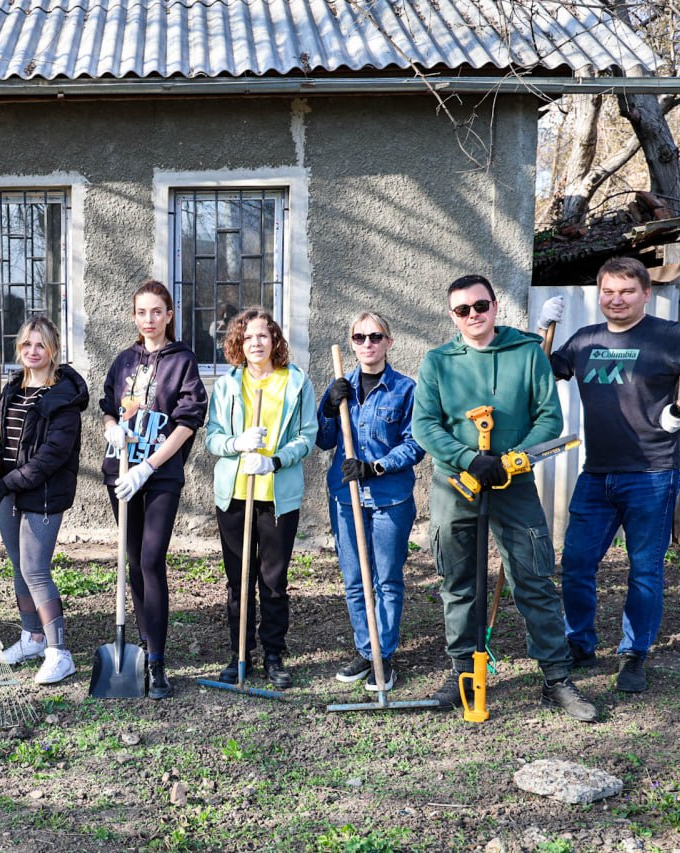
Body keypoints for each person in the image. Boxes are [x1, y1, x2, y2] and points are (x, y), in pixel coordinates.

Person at [539, 257, 680, 692]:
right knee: (576, 564)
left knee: (644, 570)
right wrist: (542, 331)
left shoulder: (668, 335)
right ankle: (579, 644)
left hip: (651, 474)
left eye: (627, 291)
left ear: (646, 293)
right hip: (596, 475)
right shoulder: (585, 340)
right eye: (608, 291)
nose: (617, 299)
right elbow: (539, 375)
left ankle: (633, 654)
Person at [411, 274, 597, 722]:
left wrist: (512, 460)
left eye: (481, 306)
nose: (473, 315)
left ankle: (556, 678)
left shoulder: (527, 353)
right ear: (452, 316)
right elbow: (425, 425)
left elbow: (548, 418)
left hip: (513, 485)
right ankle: (463, 673)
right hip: (456, 486)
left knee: (534, 578)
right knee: (458, 582)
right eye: (463, 310)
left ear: (495, 307)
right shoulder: (438, 362)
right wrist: (470, 459)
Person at [100, 280, 208, 699]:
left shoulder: (183, 360)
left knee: (151, 559)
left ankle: (159, 661)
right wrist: (112, 430)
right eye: (142, 312)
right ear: (134, 316)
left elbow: (188, 421)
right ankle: (143, 648)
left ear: (169, 315)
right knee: (133, 560)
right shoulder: (124, 361)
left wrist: (149, 466)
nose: (149, 319)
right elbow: (108, 407)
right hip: (120, 472)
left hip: (158, 475)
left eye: (156, 311)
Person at [204, 308, 316, 689]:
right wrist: (236, 443)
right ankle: (240, 654)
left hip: (277, 497)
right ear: (239, 342)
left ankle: (273, 654)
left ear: (275, 341)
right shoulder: (227, 385)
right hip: (235, 495)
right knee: (239, 580)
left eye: (263, 336)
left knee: (273, 580)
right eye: (248, 337)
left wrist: (275, 460)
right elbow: (212, 437)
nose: (256, 343)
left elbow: (307, 435)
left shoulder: (295, 382)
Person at [315, 312, 424, 692]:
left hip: (390, 499)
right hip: (346, 498)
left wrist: (375, 467)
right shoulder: (340, 385)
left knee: (387, 580)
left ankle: (384, 654)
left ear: (388, 342)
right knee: (355, 581)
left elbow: (415, 444)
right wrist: (329, 409)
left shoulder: (406, 389)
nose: (367, 344)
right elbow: (324, 441)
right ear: (351, 343)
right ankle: (367, 650)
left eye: (375, 336)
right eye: (359, 337)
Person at [0, 316, 89, 685]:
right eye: (27, 344)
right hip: (10, 490)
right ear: (19, 348)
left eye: (41, 345)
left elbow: (53, 455)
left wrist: (11, 480)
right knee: (19, 567)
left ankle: (59, 652)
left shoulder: (63, 398)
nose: (33, 351)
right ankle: (32, 638)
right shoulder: (12, 388)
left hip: (43, 493)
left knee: (35, 569)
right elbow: (8, 437)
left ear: (54, 350)